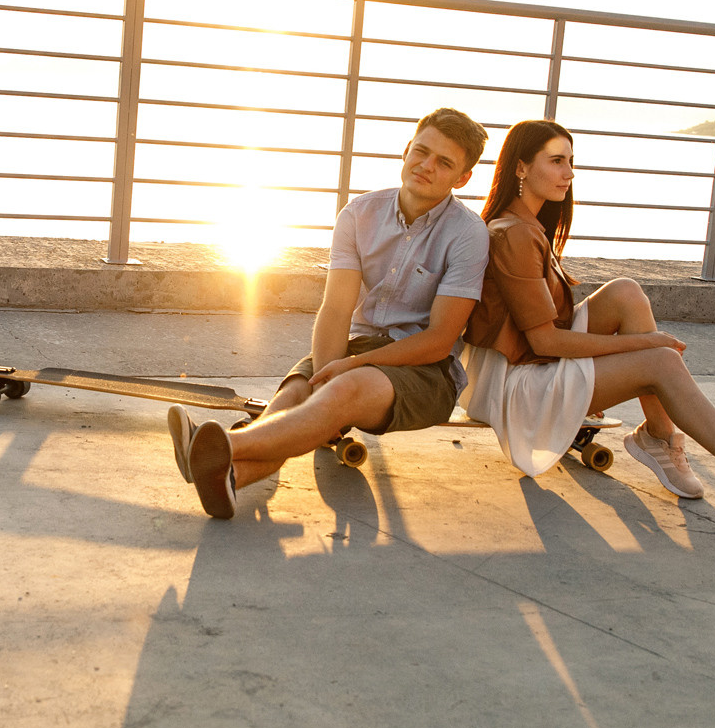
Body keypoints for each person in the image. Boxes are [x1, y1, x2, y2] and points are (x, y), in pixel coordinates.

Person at [462, 118, 715, 537]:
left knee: (625, 292)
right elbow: (545, 339)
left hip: (528, 362)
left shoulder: (526, 225)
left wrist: (639, 345)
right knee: (662, 362)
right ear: (520, 168)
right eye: (556, 161)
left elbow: (544, 330)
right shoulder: (515, 234)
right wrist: (645, 344)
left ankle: (660, 438)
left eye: (571, 162)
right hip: (517, 387)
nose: (569, 174)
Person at [169, 108, 491, 519]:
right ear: (406, 150)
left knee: (341, 390)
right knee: (291, 401)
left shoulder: (467, 234)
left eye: (444, 162)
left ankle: (215, 446)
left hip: (426, 371)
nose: (426, 166)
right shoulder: (359, 215)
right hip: (355, 346)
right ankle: (230, 476)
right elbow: (336, 308)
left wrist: (350, 368)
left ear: (461, 178)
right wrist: (327, 370)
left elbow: (438, 341)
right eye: (421, 151)